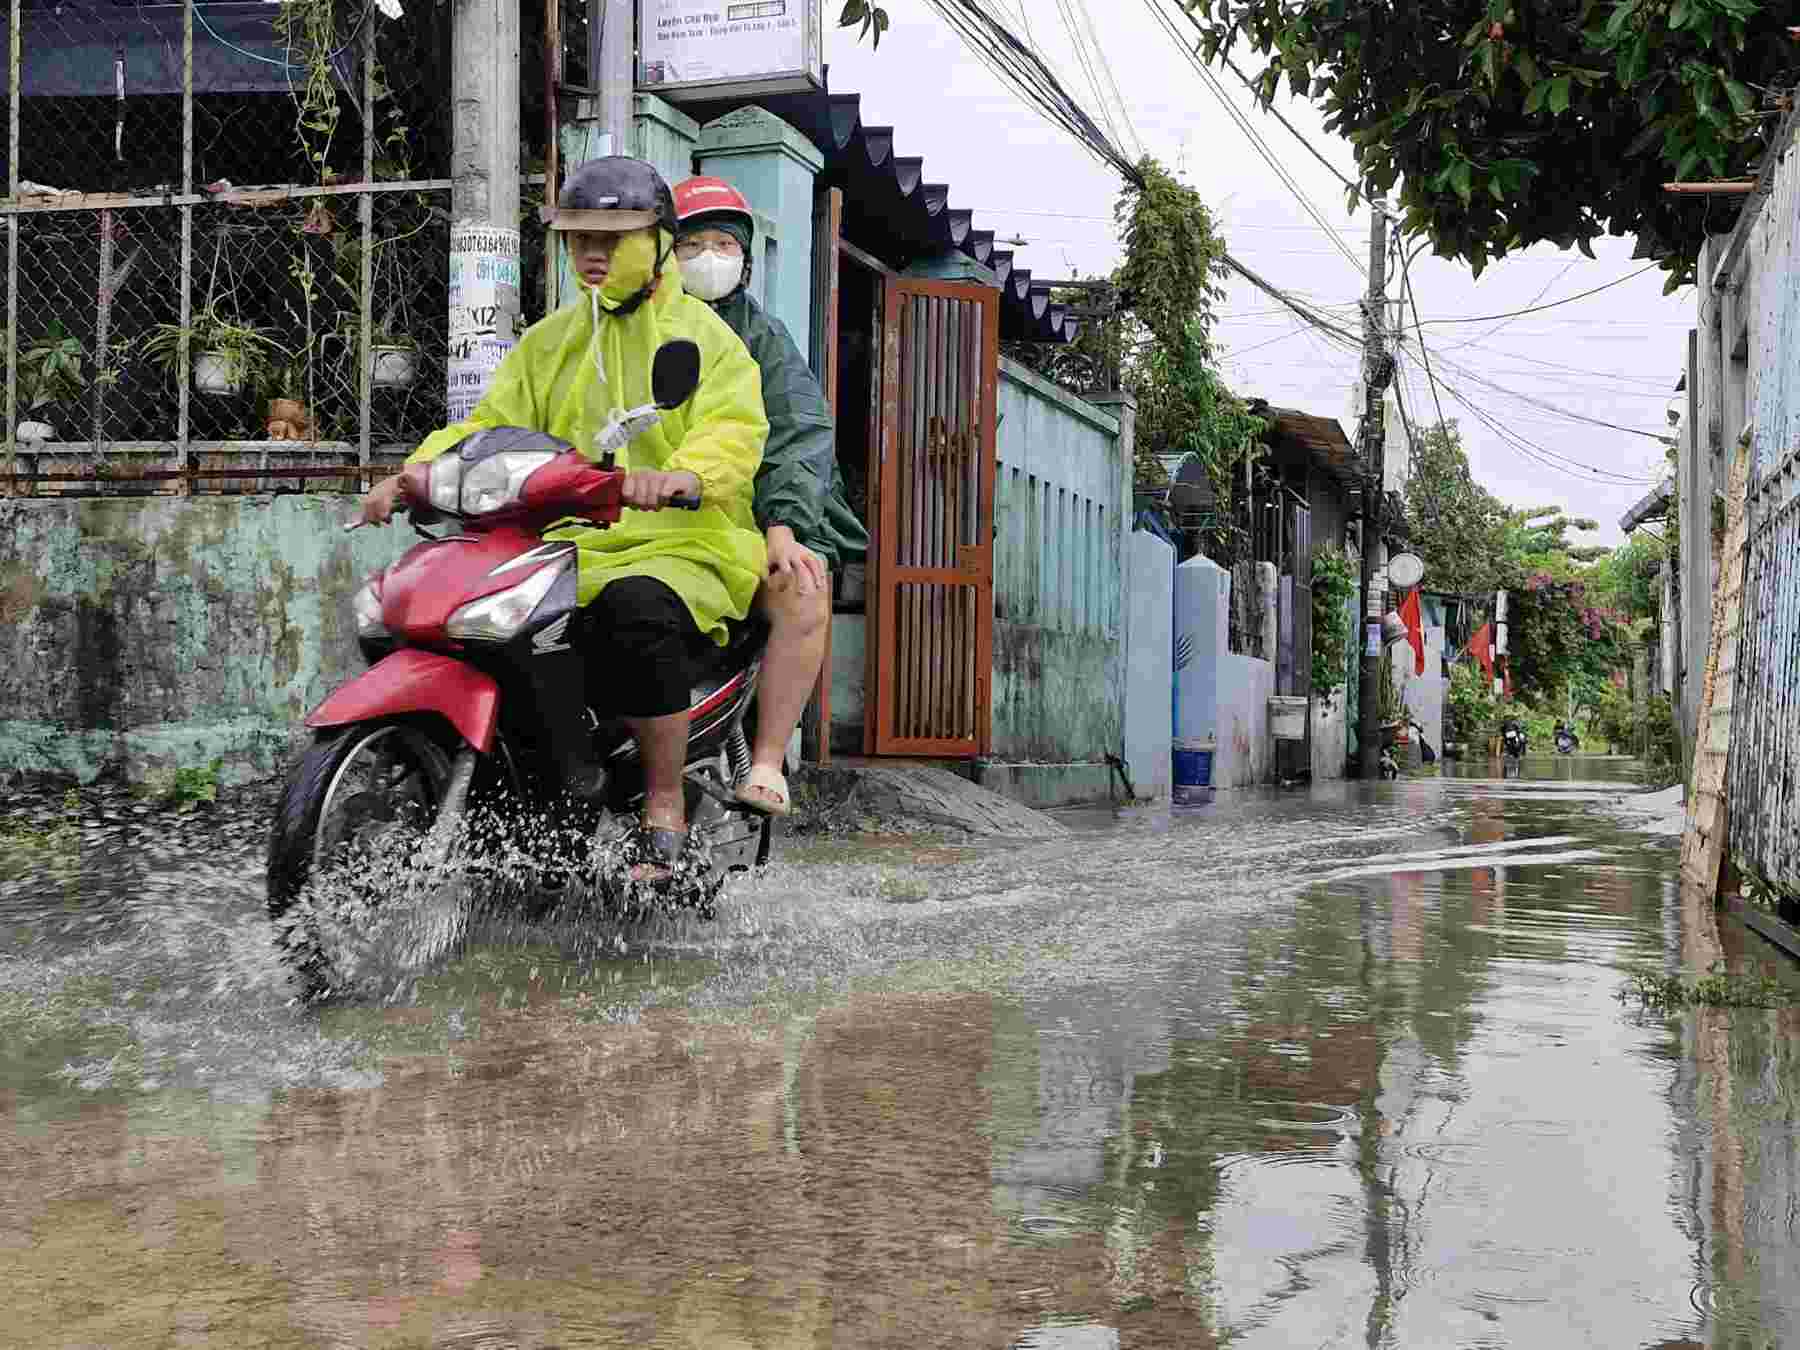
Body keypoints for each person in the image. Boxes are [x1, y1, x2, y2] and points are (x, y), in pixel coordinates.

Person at [356, 156, 769, 877]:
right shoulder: (549, 342)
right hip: (570, 539)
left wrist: (683, 475)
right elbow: (489, 427)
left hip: (683, 542)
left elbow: (733, 426)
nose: (593, 253)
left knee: (635, 611)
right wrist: (412, 474)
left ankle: (663, 805)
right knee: (464, 616)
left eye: (614, 237)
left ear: (660, 240)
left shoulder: (705, 339)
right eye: (579, 238)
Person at [671, 175, 869, 816]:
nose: (707, 256)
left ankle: (766, 761)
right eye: (690, 243)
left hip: (743, 525)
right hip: (645, 525)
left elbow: (799, 433)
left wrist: (782, 523)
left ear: (745, 259)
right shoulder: (631, 327)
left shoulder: (762, 343)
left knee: (803, 583)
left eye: (722, 243)